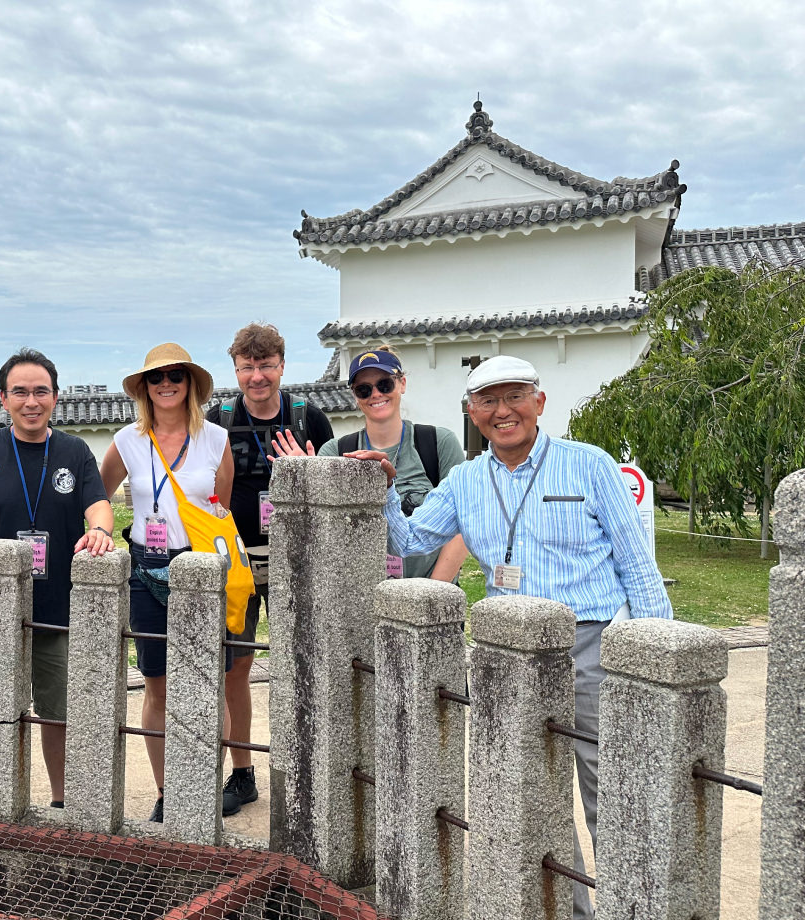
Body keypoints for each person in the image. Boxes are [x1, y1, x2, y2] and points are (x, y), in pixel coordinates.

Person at [360, 354, 672, 920]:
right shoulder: (465, 480)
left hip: (588, 644)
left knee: (611, 787)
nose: (503, 412)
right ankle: (570, 910)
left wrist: (654, 658)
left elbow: (637, 564)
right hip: (504, 656)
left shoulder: (588, 465)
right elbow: (408, 540)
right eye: (488, 401)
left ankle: (634, 907)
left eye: (514, 397)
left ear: (539, 402)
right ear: (473, 414)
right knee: (529, 792)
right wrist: (382, 486)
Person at [0, 348, 115, 809]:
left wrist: (99, 530)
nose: (30, 401)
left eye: (40, 391)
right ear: (3, 398)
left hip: (57, 610)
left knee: (59, 714)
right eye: (20, 392)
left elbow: (98, 503)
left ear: (55, 397)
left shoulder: (74, 451)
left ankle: (61, 803)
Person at [101, 342, 235, 823]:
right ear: (144, 387)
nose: (166, 383)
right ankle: (166, 790)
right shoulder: (127, 440)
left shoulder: (216, 440)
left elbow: (222, 507)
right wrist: (98, 530)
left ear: (191, 384)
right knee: (156, 684)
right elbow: (100, 493)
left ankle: (204, 787)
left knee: (209, 683)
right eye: (156, 377)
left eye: (176, 375)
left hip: (199, 571)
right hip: (145, 568)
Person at [206, 323, 333, 817]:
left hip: (295, 558)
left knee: (303, 663)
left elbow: (333, 481)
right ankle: (242, 773)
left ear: (282, 365)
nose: (257, 376)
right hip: (236, 557)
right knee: (234, 667)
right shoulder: (217, 418)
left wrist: (310, 470)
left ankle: (306, 769)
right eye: (247, 367)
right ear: (235, 369)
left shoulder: (307, 417)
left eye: (266, 366)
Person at [278, 344, 468, 581]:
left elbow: (461, 524)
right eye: (364, 390)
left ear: (402, 384)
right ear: (355, 396)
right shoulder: (336, 452)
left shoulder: (437, 443)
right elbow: (327, 534)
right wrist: (305, 482)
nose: (376, 394)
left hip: (433, 592)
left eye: (384, 384)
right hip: (362, 598)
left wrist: (431, 593)